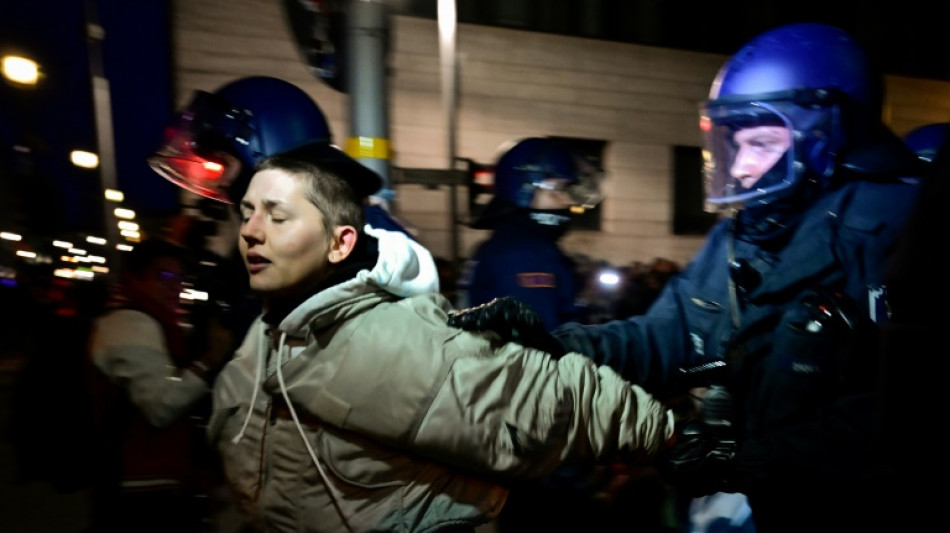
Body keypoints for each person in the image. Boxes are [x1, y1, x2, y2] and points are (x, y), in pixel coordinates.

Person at [448, 23, 924, 533]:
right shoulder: (745, 234)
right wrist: (557, 345)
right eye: (735, 145)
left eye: (762, 143)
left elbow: (904, 415)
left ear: (829, 135)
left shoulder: (901, 232)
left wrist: (752, 457)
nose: (741, 169)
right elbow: (666, 335)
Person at [206, 143, 675, 533]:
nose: (250, 232)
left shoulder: (378, 337)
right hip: (544, 482)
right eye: (247, 213)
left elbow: (534, 395)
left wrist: (668, 436)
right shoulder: (269, 334)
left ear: (341, 242)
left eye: (277, 217)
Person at [86, 237, 234, 533]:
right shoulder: (129, 325)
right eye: (164, 276)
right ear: (134, 278)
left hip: (153, 486)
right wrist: (209, 360)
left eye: (180, 279)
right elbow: (161, 406)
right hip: (137, 493)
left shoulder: (154, 323)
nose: (175, 287)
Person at [456, 136, 601, 330]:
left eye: (567, 190)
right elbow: (540, 341)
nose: (566, 200)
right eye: (557, 189)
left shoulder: (509, 243)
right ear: (523, 189)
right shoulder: (524, 255)